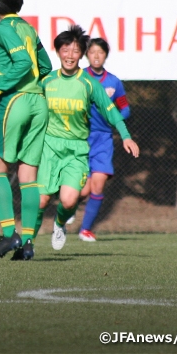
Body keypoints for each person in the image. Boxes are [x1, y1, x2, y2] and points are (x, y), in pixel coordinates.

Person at [37, 25, 139, 253]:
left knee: (75, 198)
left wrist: (124, 135)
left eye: (75, 51)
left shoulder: (97, 83)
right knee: (42, 201)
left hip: (85, 145)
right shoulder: (47, 81)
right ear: (58, 52)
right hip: (52, 147)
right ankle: (26, 245)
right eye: (66, 50)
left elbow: (116, 111)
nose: (70, 55)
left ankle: (70, 226)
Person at [0, 0, 52, 261]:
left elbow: (23, 62)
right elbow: (45, 66)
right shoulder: (27, 27)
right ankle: (27, 243)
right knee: (28, 176)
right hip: (39, 102)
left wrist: (0, 88)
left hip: (16, 100)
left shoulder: (3, 27)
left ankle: (9, 233)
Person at [77, 38, 130, 242]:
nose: (96, 56)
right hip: (80, 138)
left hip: (103, 140)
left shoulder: (114, 82)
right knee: (82, 191)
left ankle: (85, 230)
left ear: (106, 55)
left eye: (100, 52)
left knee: (97, 186)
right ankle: (64, 211)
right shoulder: (80, 78)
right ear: (86, 55)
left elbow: (125, 108)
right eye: (92, 52)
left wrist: (114, 118)